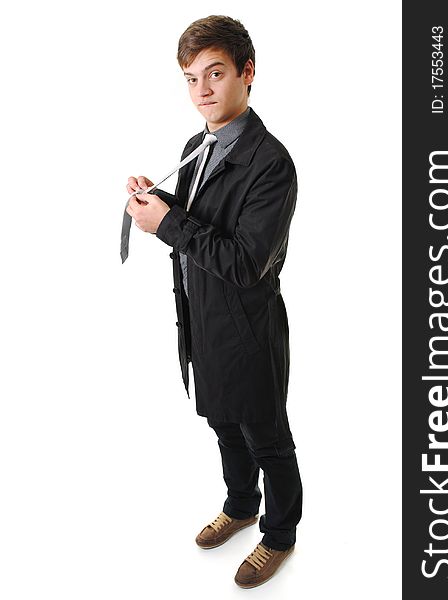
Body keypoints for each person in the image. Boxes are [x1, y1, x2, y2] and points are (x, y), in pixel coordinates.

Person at [125, 15, 303, 589]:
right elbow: (203, 222)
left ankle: (278, 535)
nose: (201, 90)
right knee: (223, 423)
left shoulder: (272, 164)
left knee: (267, 436)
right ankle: (241, 505)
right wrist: (163, 201)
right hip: (202, 319)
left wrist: (168, 223)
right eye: (189, 77)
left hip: (249, 327)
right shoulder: (195, 145)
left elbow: (244, 261)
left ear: (247, 74)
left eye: (215, 73)